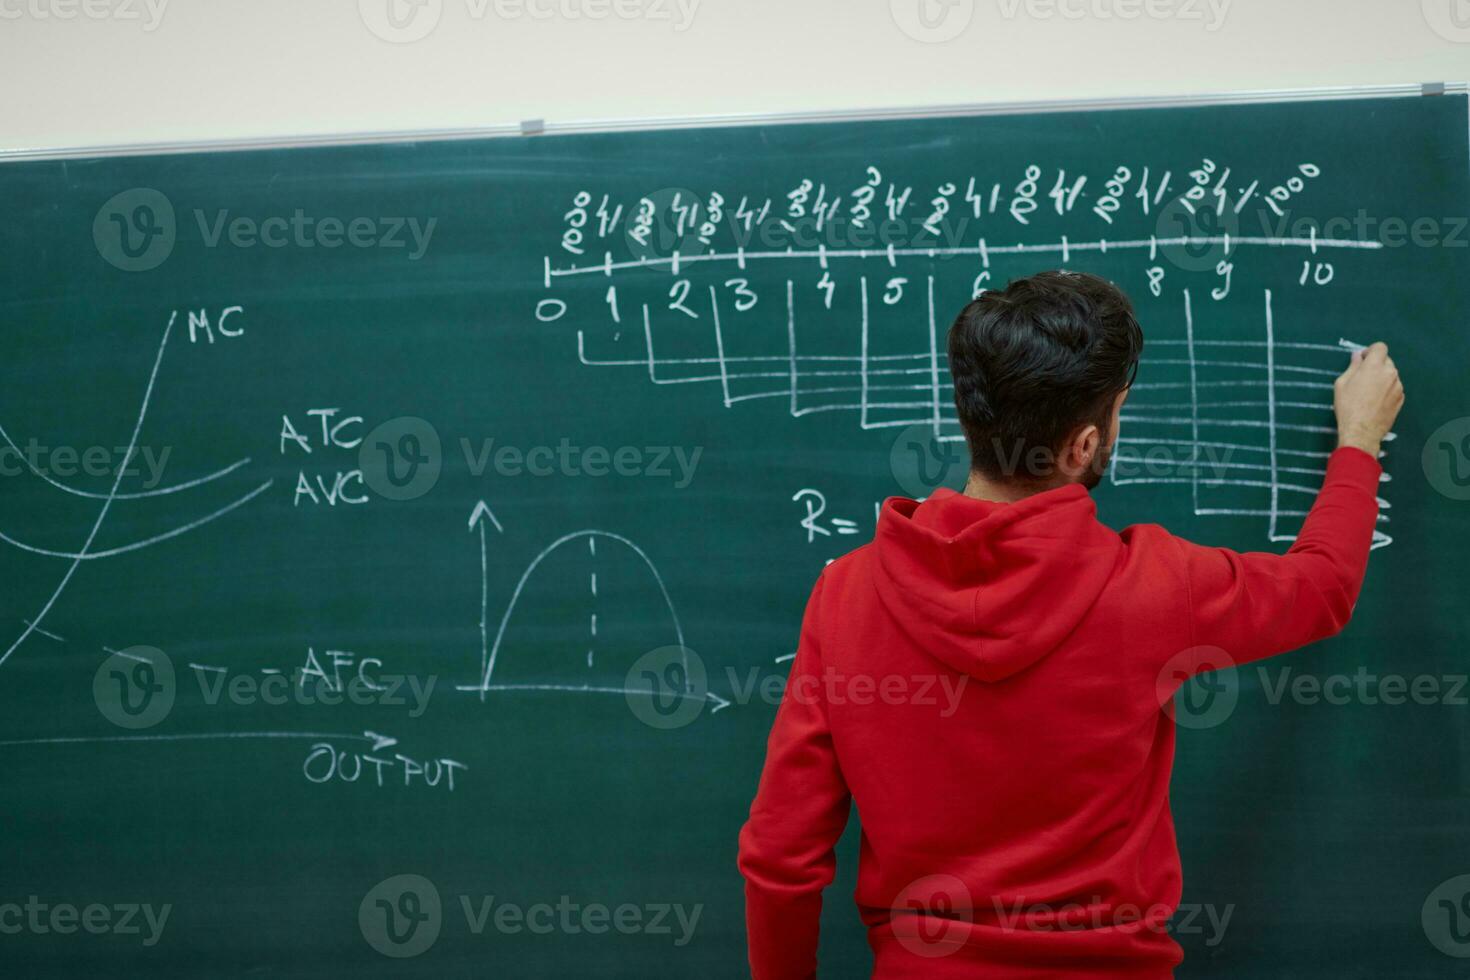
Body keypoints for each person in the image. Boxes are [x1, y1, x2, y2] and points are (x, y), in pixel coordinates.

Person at [737, 271, 1404, 979]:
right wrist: (1359, 440)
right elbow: (1324, 586)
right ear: (1086, 444)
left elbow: (782, 857)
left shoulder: (846, 595)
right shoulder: (1156, 588)